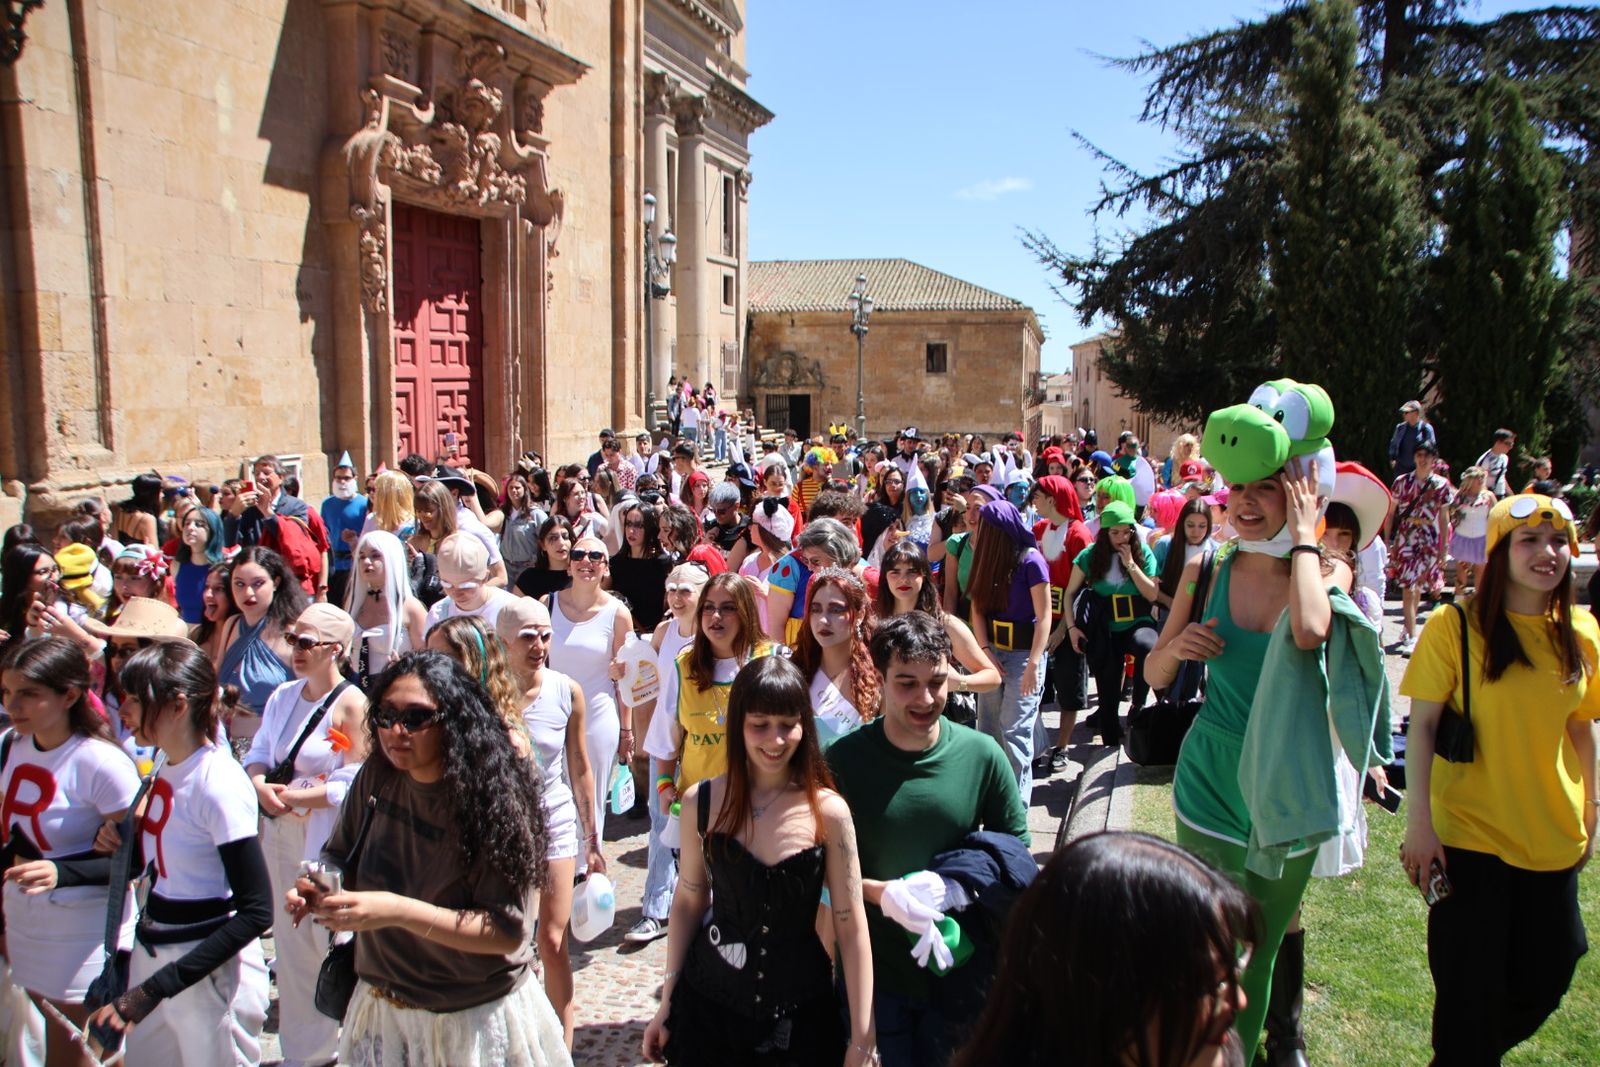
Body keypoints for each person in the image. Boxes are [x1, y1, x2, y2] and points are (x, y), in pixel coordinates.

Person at [1147, 438, 1387, 1060]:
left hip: (1287, 776)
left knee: (1260, 951)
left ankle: (1255, 1049)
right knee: (1209, 945)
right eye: (1241, 488)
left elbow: (1310, 630)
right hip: (1211, 775)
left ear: (1303, 493)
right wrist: (1178, 648)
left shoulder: (1328, 567)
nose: (1247, 501)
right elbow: (1153, 674)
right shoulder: (1210, 566)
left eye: (1268, 487)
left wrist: (1307, 535)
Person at [286, 653, 570, 1066]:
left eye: (416, 718)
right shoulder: (377, 775)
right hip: (383, 1009)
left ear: (454, 720)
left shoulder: (490, 800)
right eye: (385, 715)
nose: (396, 731)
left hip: (469, 1021)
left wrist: (394, 911)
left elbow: (507, 931)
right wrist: (320, 886)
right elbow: (337, 852)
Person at [1399, 494, 1598, 1063]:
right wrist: (1420, 826)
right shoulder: (1454, 624)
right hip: (1470, 839)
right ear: (1498, 551)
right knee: (1468, 991)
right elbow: (1423, 728)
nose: (1548, 553)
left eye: (1558, 540)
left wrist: (1593, 808)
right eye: (1529, 540)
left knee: (1554, 967)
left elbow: (1582, 727)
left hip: (1553, 834)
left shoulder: (1581, 630)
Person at [642, 655, 875, 1066]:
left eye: (788, 724)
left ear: (805, 724)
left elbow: (851, 924)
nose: (776, 739)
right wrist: (667, 1001)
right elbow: (688, 901)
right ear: (739, 726)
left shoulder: (829, 812)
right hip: (708, 1010)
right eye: (760, 724)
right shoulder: (703, 801)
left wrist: (862, 1037)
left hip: (801, 1018)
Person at [826, 612, 1028, 1067]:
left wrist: (958, 887)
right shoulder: (842, 762)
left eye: (936, 682)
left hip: (962, 972)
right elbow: (817, 869)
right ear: (878, 679)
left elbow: (1017, 858)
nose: (925, 698)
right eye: (906, 683)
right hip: (875, 980)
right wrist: (883, 894)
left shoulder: (981, 755)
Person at [88, 641, 273, 1064]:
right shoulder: (163, 762)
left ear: (177, 705)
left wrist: (157, 988)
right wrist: (122, 845)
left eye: (135, 700)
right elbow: (165, 866)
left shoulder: (218, 781)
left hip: (203, 973)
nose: (123, 712)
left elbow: (257, 913)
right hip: (155, 956)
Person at [948, 831, 1257, 1067]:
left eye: (1235, 966)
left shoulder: (1223, 1051)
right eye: (1212, 983)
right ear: (1110, 994)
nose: (1239, 1000)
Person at [0, 637, 140, 1066]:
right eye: (7, 692)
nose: (13, 704)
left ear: (71, 694)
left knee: (84, 1052)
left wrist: (61, 872)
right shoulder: (9, 745)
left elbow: (135, 861)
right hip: (26, 924)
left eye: (29, 694)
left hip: (84, 935)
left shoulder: (102, 763)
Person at [242, 604, 368, 1067]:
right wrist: (259, 786)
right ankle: (304, 1053)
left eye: (307, 642)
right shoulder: (282, 697)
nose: (296, 650)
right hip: (276, 833)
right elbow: (257, 752)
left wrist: (295, 797)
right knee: (289, 949)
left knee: (324, 941)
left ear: (335, 649)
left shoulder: (350, 704)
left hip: (320, 840)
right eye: (293, 639)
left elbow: (351, 779)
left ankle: (339, 1045)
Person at [495, 598, 605, 1048]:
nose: (539, 645)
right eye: (527, 636)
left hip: (555, 820)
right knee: (508, 936)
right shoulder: (487, 693)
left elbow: (579, 765)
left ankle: (562, 1042)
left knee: (553, 938)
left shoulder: (566, 690)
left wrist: (592, 838)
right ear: (503, 642)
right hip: (502, 825)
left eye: (545, 635)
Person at [622, 562, 710, 945]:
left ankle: (706, 908)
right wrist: (621, 672)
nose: (676, 597)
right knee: (659, 826)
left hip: (701, 745)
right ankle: (656, 909)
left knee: (703, 827)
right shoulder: (662, 630)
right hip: (664, 743)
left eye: (685, 590)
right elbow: (646, 678)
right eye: (671, 589)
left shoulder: (713, 633)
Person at [647, 574, 778, 817]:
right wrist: (664, 784)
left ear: (746, 612)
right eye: (708, 608)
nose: (716, 617)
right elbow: (665, 738)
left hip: (759, 807)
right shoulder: (684, 665)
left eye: (728, 608)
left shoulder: (771, 659)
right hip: (700, 805)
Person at [544, 535, 634, 858]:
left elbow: (627, 678)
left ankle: (587, 872)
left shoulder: (617, 613)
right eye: (580, 555)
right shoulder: (547, 604)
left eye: (596, 556)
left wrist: (627, 729)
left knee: (591, 802)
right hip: (554, 715)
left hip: (598, 718)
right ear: (568, 564)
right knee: (555, 797)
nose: (587, 561)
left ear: (605, 567)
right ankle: (559, 869)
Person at [968, 500, 1051, 799]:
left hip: (1023, 656)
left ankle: (1016, 810)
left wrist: (1033, 663)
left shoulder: (1031, 561)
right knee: (989, 730)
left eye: (983, 525)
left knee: (1014, 731)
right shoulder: (984, 557)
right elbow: (977, 607)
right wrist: (985, 651)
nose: (976, 528)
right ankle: (992, 800)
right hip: (992, 654)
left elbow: (1044, 617)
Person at [876, 540, 1002, 715]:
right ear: (885, 577)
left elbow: (993, 677)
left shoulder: (945, 625)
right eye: (895, 572)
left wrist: (959, 682)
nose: (903, 579)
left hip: (934, 721)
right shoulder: (875, 624)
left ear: (925, 576)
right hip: (886, 724)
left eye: (912, 572)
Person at [1029, 475, 1094, 771]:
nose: (1035, 502)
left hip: (1070, 625)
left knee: (1069, 689)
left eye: (1039, 497)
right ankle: (1039, 742)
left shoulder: (1079, 535)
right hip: (1039, 620)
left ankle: (1063, 747)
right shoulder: (1039, 529)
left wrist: (1061, 629)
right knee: (1037, 689)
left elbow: (1083, 588)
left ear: (1053, 499)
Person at [216, 546, 306, 752]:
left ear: (276, 583)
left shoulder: (294, 633)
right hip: (224, 746)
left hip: (271, 751)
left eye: (258, 584)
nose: (247, 593)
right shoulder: (231, 624)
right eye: (239, 584)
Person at [792, 568, 881, 746]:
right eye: (816, 610)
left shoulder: (880, 676)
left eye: (835, 610)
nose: (823, 620)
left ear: (860, 615)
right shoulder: (794, 670)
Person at [1386, 442, 1454, 656]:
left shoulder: (1441, 485)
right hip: (1407, 537)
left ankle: (1408, 626)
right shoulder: (1401, 482)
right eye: (1418, 455)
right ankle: (1413, 636)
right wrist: (1388, 539)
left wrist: (1444, 548)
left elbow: (1444, 518)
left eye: (1426, 455)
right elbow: (1391, 513)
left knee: (1418, 587)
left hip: (1428, 538)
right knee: (1409, 586)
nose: (1422, 459)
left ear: (1434, 459)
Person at [345, 529, 427, 689]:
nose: (366, 562)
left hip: (394, 690)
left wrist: (406, 667)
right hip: (355, 687)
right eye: (361, 556)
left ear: (392, 559)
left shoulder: (410, 607)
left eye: (375, 555)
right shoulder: (355, 601)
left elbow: (428, 661)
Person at [608, 500, 671, 632]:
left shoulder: (663, 564)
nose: (631, 530)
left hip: (653, 635)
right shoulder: (615, 563)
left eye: (639, 525)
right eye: (628, 524)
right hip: (622, 635)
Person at [173, 506, 226, 625]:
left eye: (199, 524)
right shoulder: (176, 565)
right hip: (186, 635)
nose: (190, 528)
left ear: (212, 530)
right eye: (187, 523)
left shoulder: (224, 568)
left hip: (213, 636)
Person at [1449, 465, 1495, 596]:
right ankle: (1459, 601)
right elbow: (1452, 514)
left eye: (1482, 477)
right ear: (1469, 479)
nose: (1480, 480)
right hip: (1463, 537)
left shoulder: (1488, 496)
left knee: (1481, 571)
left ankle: (1479, 602)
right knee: (1461, 571)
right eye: (1477, 477)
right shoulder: (1460, 496)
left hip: (1481, 538)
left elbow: (1495, 515)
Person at [1388, 400, 1437, 477]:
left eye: (1406, 412)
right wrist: (1392, 459)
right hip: (1401, 469)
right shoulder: (1400, 428)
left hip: (1419, 469)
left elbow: (1432, 449)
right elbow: (1394, 444)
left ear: (1415, 413)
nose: (1404, 415)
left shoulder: (1426, 429)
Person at [114, 473, 163, 547]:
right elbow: (154, 550)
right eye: (160, 491)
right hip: (141, 557)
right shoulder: (147, 519)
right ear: (152, 494)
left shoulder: (122, 509)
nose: (163, 495)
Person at [1476, 429, 1515, 499]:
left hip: (1500, 495)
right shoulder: (1485, 460)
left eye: (1511, 444)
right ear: (1498, 442)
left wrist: (1512, 496)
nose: (1510, 447)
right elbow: (1478, 481)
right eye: (1507, 444)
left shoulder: (1504, 458)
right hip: (1487, 496)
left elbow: (1502, 477)